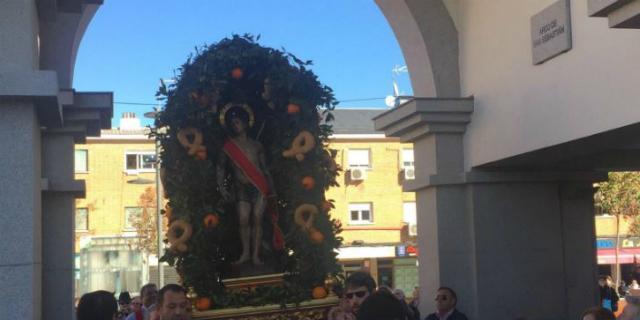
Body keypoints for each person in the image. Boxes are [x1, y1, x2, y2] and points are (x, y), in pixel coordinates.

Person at [217, 105, 280, 266]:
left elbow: (264, 169)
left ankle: (256, 255)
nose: (235, 125)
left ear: (246, 123)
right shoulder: (228, 147)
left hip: (259, 186)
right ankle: (245, 253)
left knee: (258, 218)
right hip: (241, 187)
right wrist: (222, 187)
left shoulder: (257, 145)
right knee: (243, 220)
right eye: (232, 123)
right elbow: (221, 168)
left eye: (238, 122)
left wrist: (271, 188)